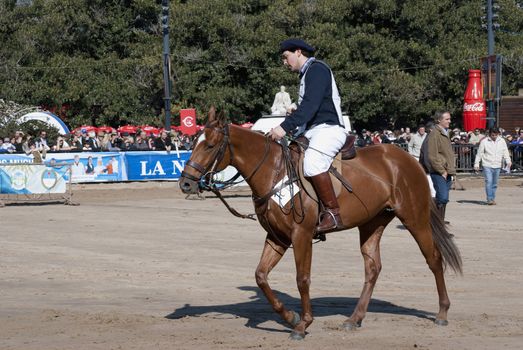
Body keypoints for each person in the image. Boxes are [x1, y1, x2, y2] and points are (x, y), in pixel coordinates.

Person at [268, 38, 348, 234]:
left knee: (312, 162)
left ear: (297, 52)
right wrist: (295, 109)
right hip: (314, 130)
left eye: (286, 57)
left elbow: (311, 107)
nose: (284, 63)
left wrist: (283, 127)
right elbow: (311, 104)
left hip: (329, 129)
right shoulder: (306, 74)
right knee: (291, 159)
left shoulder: (317, 69)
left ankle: (332, 213)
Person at [425, 111, 456, 221]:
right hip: (439, 172)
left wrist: (451, 171)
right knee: (442, 198)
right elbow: (432, 155)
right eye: (447, 119)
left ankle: (439, 224)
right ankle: (431, 219)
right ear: (439, 120)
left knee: (444, 199)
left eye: (449, 119)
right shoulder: (434, 134)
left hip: (447, 172)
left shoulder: (445, 132)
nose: (449, 121)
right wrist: (441, 171)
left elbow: (446, 154)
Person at [474, 128, 511, 205]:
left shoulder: (502, 141)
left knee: (494, 183)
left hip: (497, 164)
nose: (494, 136)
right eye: (493, 135)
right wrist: (476, 163)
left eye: (496, 135)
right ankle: (489, 199)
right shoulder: (484, 141)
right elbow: (479, 153)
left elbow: (505, 151)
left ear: (498, 134)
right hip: (487, 164)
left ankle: (492, 198)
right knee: (489, 181)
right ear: (489, 134)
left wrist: (508, 161)